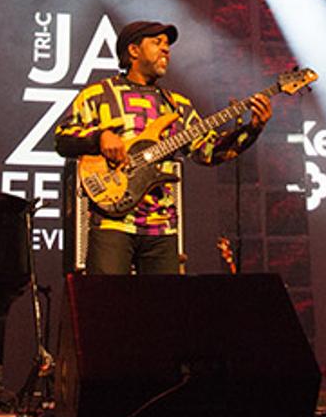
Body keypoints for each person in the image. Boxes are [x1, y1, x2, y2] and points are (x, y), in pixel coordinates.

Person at [55, 20, 271, 275]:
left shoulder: (177, 105)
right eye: (157, 43)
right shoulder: (97, 95)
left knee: (164, 311)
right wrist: (99, 137)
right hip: (112, 222)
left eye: (167, 44)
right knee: (107, 308)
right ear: (133, 51)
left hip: (162, 228)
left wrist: (252, 129)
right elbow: (62, 139)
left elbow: (208, 152)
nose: (166, 49)